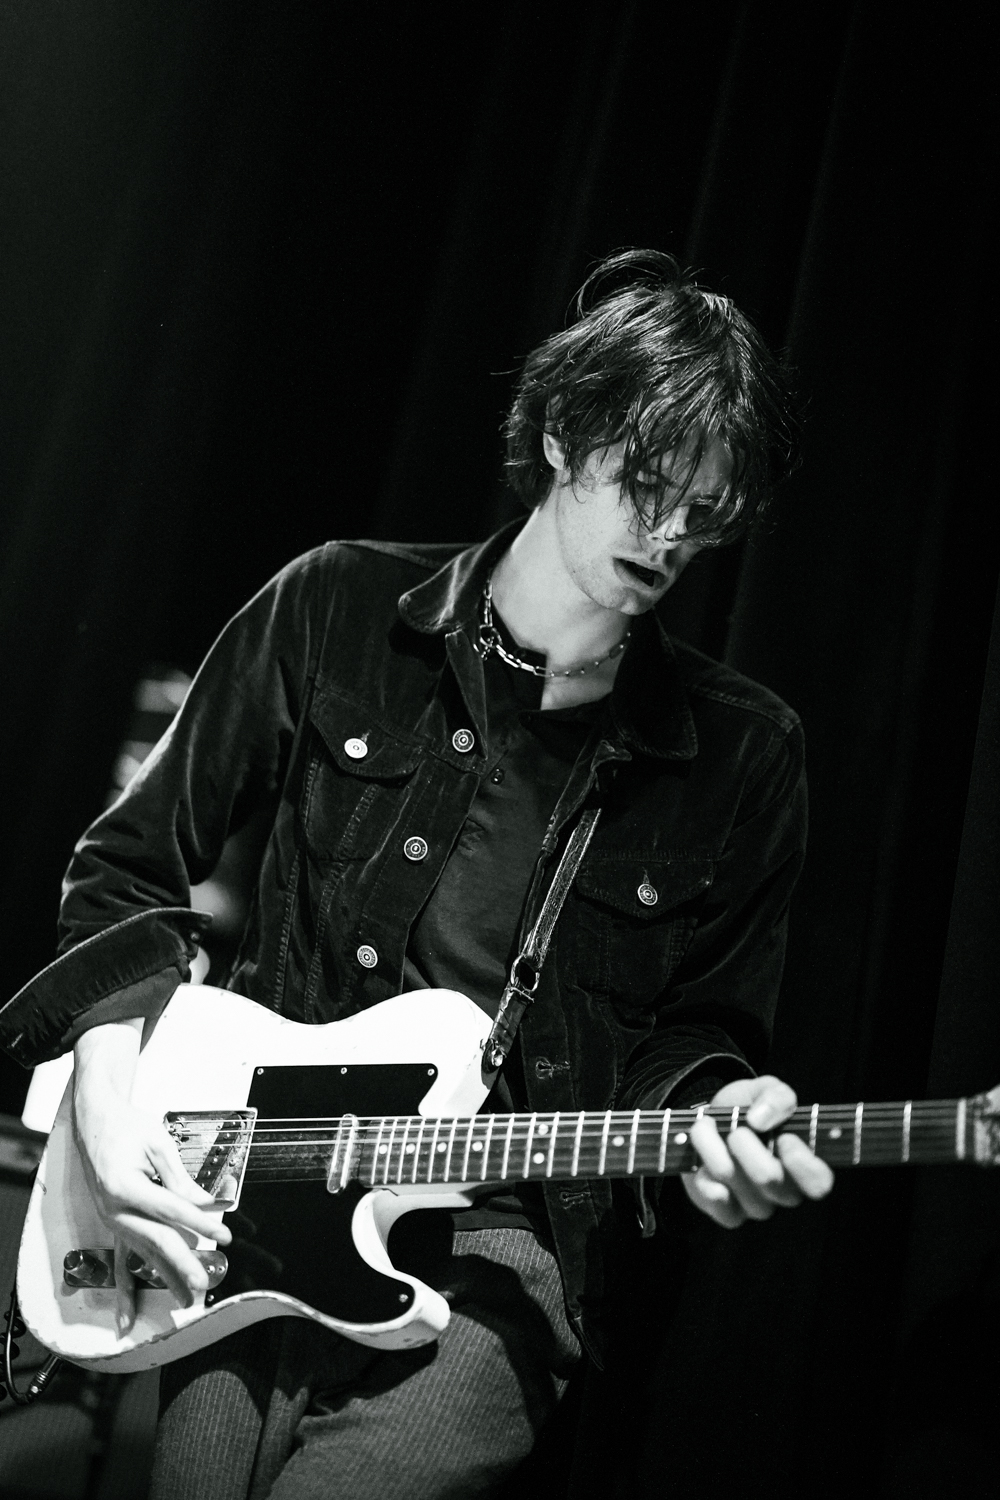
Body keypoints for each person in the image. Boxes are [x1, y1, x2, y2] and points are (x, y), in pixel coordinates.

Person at [0, 249, 833, 1498]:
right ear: (560, 434)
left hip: (501, 1244)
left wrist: (714, 1120)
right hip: (255, 1187)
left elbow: (697, 1034)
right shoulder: (336, 605)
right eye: (646, 485)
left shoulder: (744, 752)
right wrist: (107, 1107)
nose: (668, 538)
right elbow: (128, 863)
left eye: (703, 516)